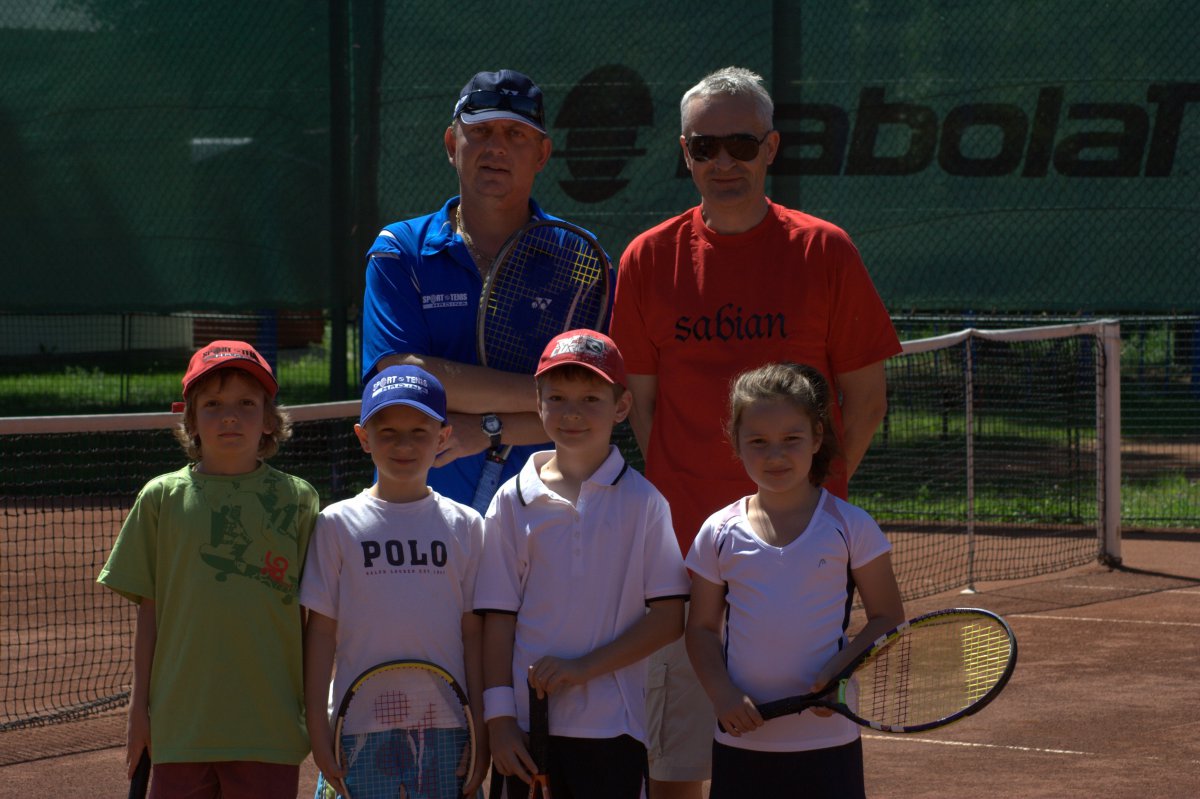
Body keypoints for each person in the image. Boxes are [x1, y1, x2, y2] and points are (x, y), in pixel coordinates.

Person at [608, 66, 903, 797]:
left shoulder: (825, 250)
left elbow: (866, 399)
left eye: (741, 143)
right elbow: (641, 407)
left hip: (804, 564)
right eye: (704, 146)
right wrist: (693, 502)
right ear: (684, 153)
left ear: (771, 148)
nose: (724, 161)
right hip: (685, 564)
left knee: (799, 769)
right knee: (678, 773)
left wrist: (809, 498)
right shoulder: (648, 257)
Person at [96, 340, 319, 799]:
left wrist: (315, 714)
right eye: (213, 404)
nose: (230, 416)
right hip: (181, 727)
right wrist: (138, 709)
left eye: (246, 403)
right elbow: (149, 615)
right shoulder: (160, 498)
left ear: (269, 419)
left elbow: (314, 618)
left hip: (269, 728)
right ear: (191, 420)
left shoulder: (299, 499)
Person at [475, 330, 690, 799]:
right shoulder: (510, 501)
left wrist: (583, 668)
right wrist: (501, 719)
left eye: (591, 398)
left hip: (616, 729)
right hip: (526, 733)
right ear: (538, 404)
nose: (572, 413)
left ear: (621, 406)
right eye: (557, 397)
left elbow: (669, 618)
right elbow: (498, 620)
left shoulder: (645, 503)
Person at [362, 68, 582, 507]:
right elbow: (401, 376)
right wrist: (553, 396)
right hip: (421, 516)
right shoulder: (399, 250)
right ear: (452, 145)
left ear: (542, 153)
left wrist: (487, 429)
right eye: (480, 131)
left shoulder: (579, 258)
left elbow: (594, 410)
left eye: (516, 134)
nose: (496, 147)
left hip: (547, 516)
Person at [685, 362, 905, 798]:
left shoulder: (851, 525)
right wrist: (722, 694)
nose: (776, 456)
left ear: (817, 438)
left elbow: (887, 616)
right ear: (736, 442)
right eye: (758, 442)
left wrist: (841, 673)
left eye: (791, 439)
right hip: (742, 742)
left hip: (828, 741)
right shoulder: (719, 531)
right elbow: (702, 628)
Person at [299, 364, 487, 798]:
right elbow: (321, 633)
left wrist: (479, 726)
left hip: (449, 726)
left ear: (443, 437)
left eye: (420, 432)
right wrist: (318, 728)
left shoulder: (467, 526)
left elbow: (474, 635)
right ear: (363, 437)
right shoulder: (335, 525)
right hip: (356, 726)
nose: (404, 444)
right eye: (388, 432)